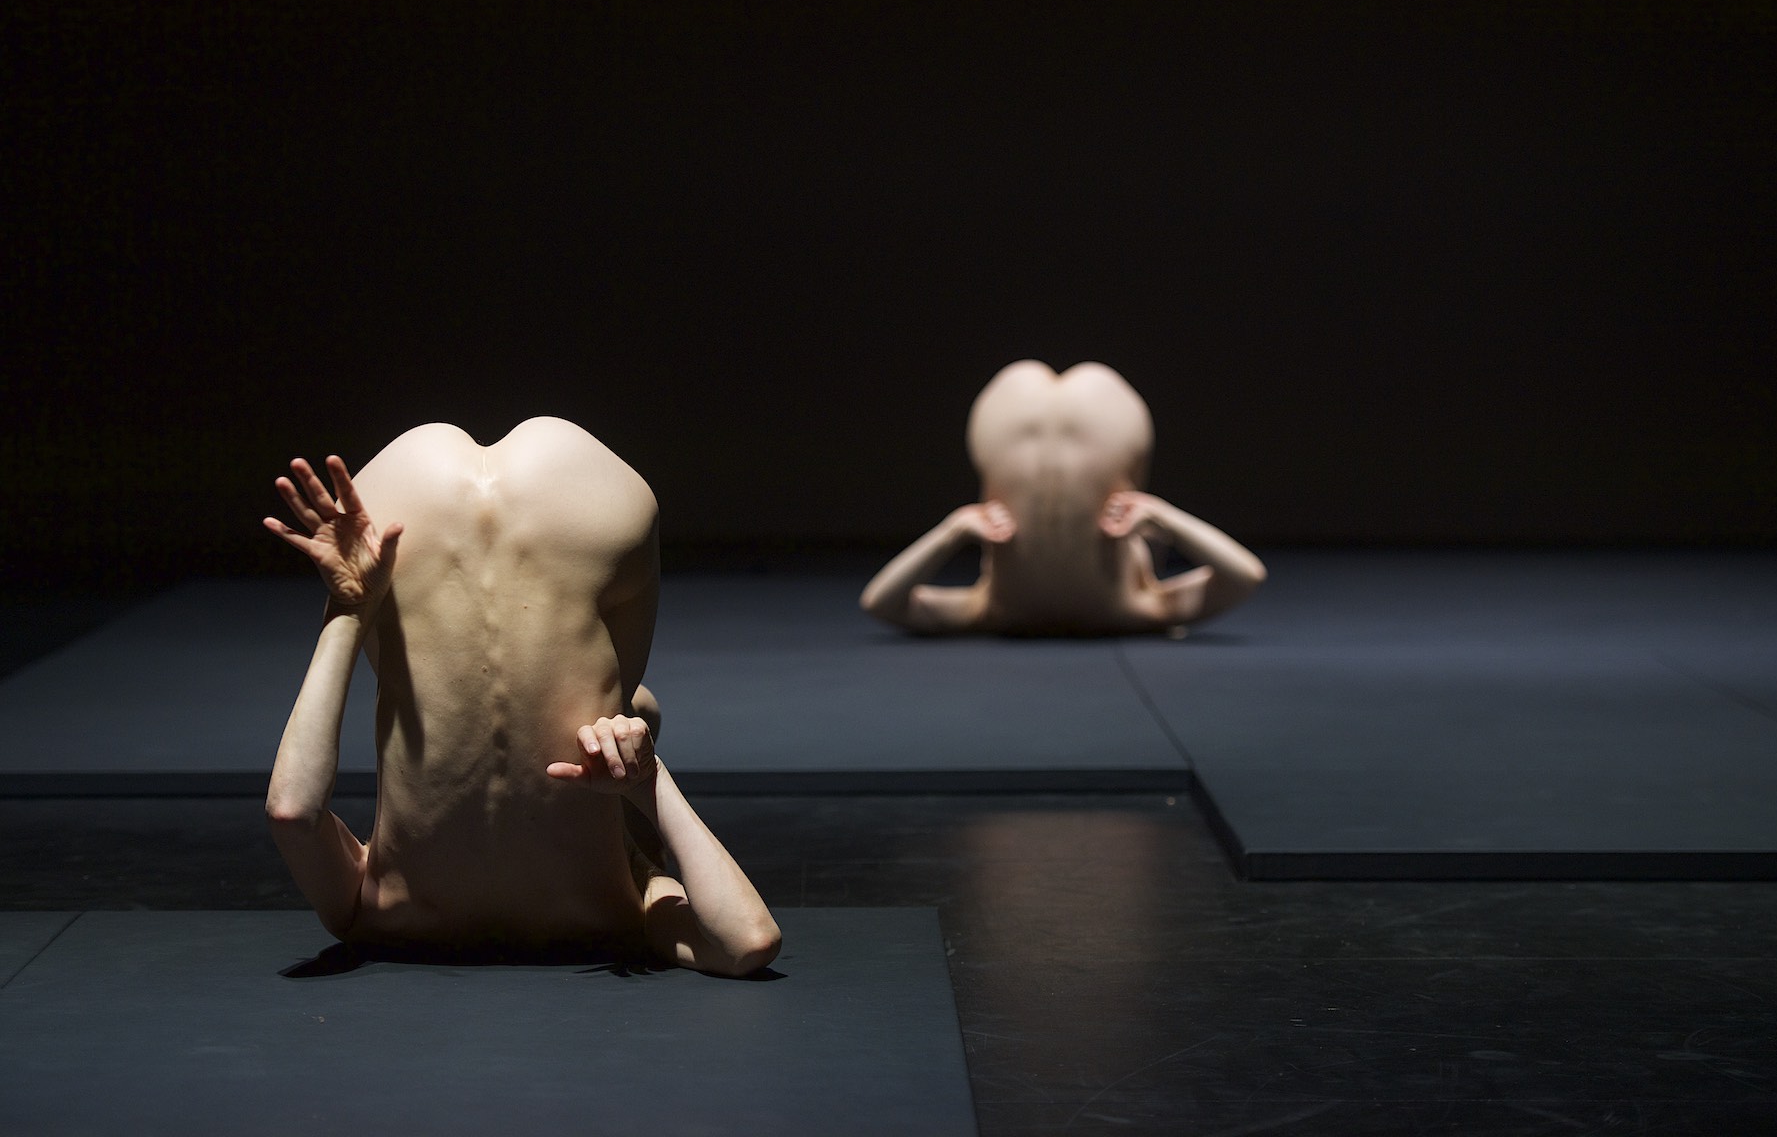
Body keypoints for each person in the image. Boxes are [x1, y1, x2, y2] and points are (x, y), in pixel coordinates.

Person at [263, 417, 780, 976]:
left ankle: (633, 709)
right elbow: (745, 941)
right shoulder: (627, 909)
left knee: (628, 701)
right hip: (561, 494)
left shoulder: (377, 910)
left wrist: (349, 609)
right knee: (626, 701)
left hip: (432, 492)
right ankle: (633, 710)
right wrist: (649, 783)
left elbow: (293, 812)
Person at [861, 360, 1266, 636]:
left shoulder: (991, 610)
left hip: (1017, 414)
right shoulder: (1137, 607)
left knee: (1031, 377)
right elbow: (1245, 575)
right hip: (1096, 416)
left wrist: (953, 531)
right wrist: (1162, 516)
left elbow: (880, 602)